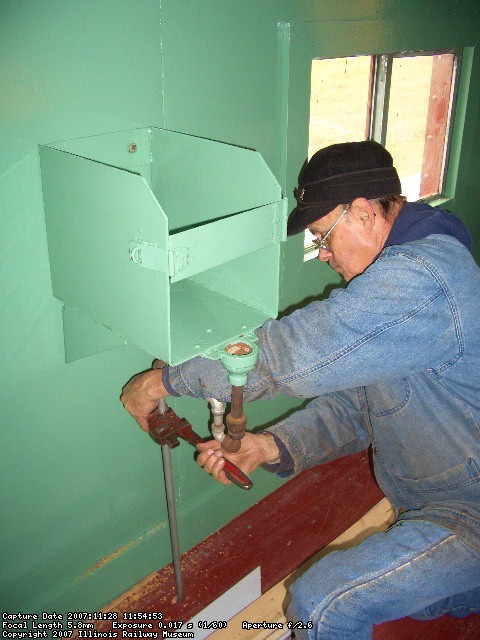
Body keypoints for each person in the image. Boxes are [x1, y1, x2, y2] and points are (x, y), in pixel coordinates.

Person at [121, 141, 480, 639]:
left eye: (322, 237)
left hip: (468, 508)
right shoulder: (420, 266)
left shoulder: (420, 280)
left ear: (364, 212)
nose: (325, 255)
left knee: (322, 602)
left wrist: (158, 381)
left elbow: (279, 361)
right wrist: (269, 445)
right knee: (429, 598)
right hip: (435, 494)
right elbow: (364, 403)